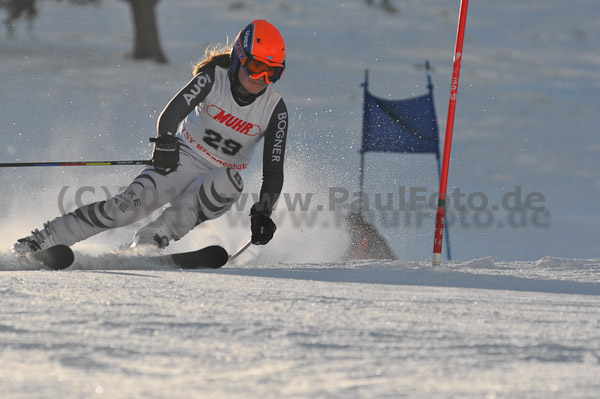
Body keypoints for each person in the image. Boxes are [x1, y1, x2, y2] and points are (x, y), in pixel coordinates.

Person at [12, 19, 288, 255]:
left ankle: (149, 241)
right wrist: (166, 141)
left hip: (218, 179)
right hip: (181, 160)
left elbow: (273, 171)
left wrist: (263, 211)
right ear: (240, 57)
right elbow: (172, 113)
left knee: (232, 181)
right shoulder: (212, 79)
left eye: (272, 72)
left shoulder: (275, 109)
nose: (261, 78)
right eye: (255, 67)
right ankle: (44, 239)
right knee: (124, 209)